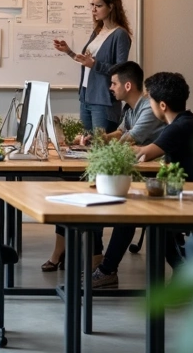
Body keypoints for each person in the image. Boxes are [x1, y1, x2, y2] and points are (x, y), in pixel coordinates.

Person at [90, 71, 193, 288]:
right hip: (184, 190)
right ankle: (110, 270)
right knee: (136, 207)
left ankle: (108, 271)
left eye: (151, 100)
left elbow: (143, 155)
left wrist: (109, 154)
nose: (149, 104)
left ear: (161, 105)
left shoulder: (179, 127)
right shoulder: (185, 122)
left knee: (132, 212)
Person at [43, 60, 165, 271]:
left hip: (150, 175)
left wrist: (104, 148)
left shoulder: (148, 108)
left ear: (128, 86)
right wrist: (97, 138)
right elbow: (120, 132)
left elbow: (131, 138)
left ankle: (96, 256)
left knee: (92, 190)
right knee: (75, 188)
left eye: (114, 83)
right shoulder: (130, 108)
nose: (110, 88)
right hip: (132, 168)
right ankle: (84, 254)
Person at [53, 0, 132, 134]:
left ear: (111, 6)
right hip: (86, 96)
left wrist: (96, 64)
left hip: (103, 100)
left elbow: (122, 70)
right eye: (93, 5)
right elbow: (86, 61)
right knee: (85, 145)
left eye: (99, 6)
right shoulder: (98, 31)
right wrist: (68, 51)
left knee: (99, 146)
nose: (93, 10)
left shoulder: (120, 35)